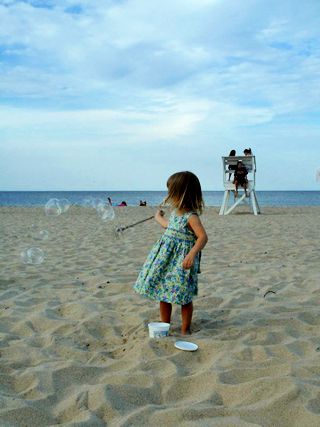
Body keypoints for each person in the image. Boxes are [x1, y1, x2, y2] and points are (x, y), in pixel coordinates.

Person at [134, 171, 208, 335]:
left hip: (182, 261)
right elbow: (168, 226)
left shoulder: (191, 217)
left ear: (180, 194)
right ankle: (164, 326)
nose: (168, 195)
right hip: (166, 260)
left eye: (171, 192)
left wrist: (192, 254)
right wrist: (157, 217)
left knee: (184, 295)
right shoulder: (175, 214)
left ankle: (185, 329)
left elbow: (203, 237)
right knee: (163, 291)